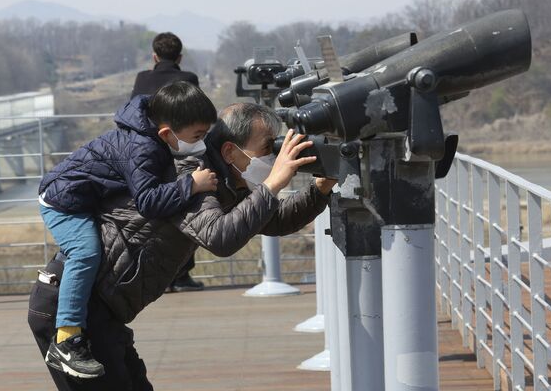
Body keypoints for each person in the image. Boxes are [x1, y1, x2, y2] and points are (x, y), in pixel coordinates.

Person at [28, 102, 336, 390]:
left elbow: (274, 219)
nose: (273, 158)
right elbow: (220, 237)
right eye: (268, 148)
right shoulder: (192, 176)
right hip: (74, 311)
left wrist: (320, 188)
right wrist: (273, 183)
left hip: (104, 310)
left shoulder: (226, 182)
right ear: (230, 151)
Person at [36, 81, 218, 379]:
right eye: (198, 136)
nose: (202, 141)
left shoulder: (152, 137)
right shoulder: (143, 148)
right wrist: (192, 185)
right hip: (63, 201)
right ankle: (66, 338)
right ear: (167, 134)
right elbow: (148, 201)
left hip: (84, 196)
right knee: (85, 253)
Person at [131, 31, 204, 292]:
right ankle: (181, 276)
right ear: (180, 57)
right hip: (179, 154)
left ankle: (153, 277)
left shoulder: (142, 78)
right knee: (185, 210)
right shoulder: (188, 78)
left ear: (154, 56)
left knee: (151, 217)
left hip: (147, 154)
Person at [130, 32, 199, 98]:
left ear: (155, 57)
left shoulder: (142, 77)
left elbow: (134, 106)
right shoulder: (190, 78)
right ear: (180, 58)